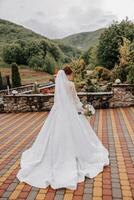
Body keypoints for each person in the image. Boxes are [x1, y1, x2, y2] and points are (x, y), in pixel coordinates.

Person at [16, 66, 109, 190]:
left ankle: (55, 158)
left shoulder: (59, 85)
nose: (72, 76)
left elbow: (59, 101)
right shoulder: (70, 84)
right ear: (69, 74)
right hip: (70, 113)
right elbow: (75, 101)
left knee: (56, 136)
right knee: (77, 135)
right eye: (72, 74)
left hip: (58, 114)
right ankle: (75, 157)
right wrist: (84, 110)